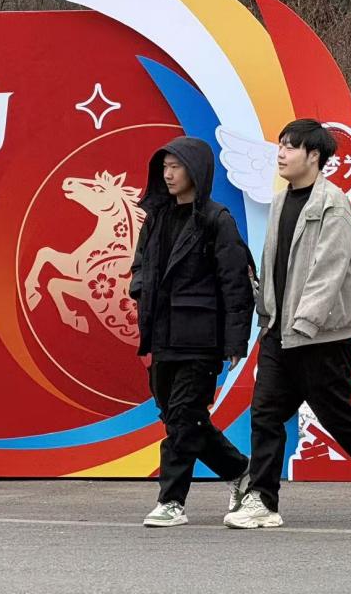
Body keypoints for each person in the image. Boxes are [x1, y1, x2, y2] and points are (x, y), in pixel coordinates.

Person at [225, 119, 351, 529]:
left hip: (322, 334)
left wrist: (305, 323)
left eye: (290, 146)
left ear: (314, 156)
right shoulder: (281, 200)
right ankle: (262, 501)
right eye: (280, 145)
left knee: (337, 417)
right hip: (281, 331)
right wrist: (269, 314)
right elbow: (274, 263)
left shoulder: (333, 204)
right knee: (265, 412)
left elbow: (328, 271)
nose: (281, 153)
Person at [130, 136, 254, 527]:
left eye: (176, 167)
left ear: (195, 171)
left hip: (201, 339)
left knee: (184, 416)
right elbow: (140, 265)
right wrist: (140, 290)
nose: (168, 175)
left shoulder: (217, 219)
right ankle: (240, 470)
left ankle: (171, 501)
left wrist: (235, 341)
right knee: (180, 419)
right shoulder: (157, 218)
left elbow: (235, 284)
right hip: (162, 335)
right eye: (164, 167)